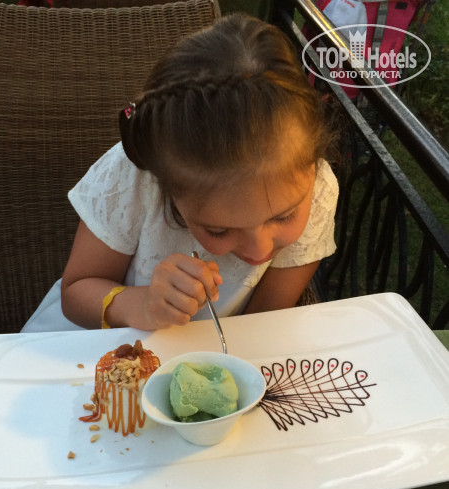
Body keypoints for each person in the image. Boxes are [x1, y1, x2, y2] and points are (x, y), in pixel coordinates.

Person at [21, 13, 339, 333]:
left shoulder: (317, 192)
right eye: (218, 230)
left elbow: (261, 326)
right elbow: (76, 292)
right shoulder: (136, 180)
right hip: (92, 344)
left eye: (284, 216)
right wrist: (141, 304)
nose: (260, 251)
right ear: (167, 187)